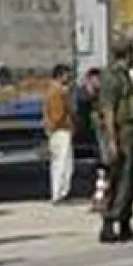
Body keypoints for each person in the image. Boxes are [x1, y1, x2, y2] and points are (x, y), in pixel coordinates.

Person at [97, 38, 133, 243]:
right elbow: (108, 110)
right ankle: (109, 225)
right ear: (127, 54)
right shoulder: (112, 77)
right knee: (118, 181)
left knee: (130, 182)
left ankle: (125, 224)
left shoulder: (125, 76)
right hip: (121, 133)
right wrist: (111, 141)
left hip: (131, 133)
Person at [43, 63, 76, 204]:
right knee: (63, 163)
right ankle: (60, 193)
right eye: (66, 74)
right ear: (60, 75)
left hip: (56, 129)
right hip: (61, 129)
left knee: (58, 163)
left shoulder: (51, 90)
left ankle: (58, 193)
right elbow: (59, 113)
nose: (68, 77)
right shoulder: (58, 91)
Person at [78, 67, 107, 211]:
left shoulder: (99, 95)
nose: (99, 83)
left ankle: (99, 198)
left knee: (102, 169)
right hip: (90, 135)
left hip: (98, 136)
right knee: (100, 169)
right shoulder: (82, 95)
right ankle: (98, 198)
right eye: (96, 80)